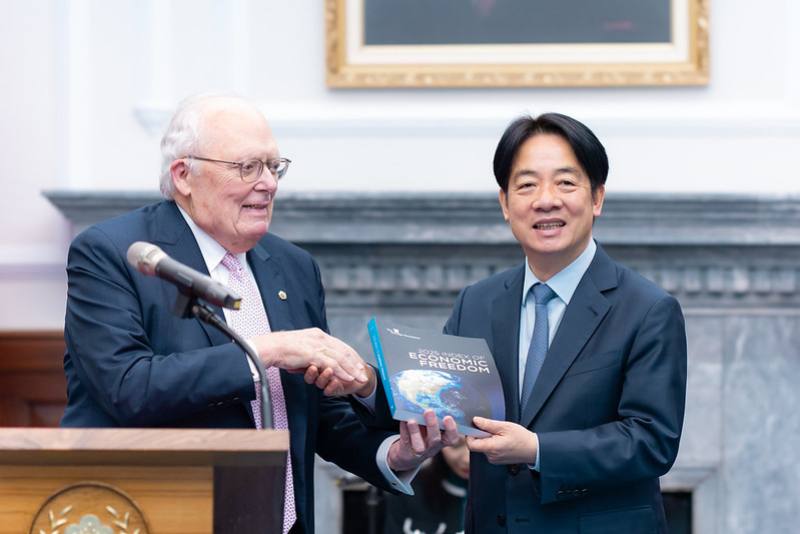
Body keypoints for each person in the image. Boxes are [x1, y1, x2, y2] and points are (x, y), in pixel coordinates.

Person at [60, 94, 458, 534]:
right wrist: (265, 351)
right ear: (183, 175)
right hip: (159, 516)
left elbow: (319, 416)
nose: (268, 183)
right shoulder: (116, 254)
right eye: (247, 167)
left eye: (274, 166)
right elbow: (128, 387)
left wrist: (391, 455)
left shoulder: (293, 267)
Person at [445, 113, 688, 533]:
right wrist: (367, 383)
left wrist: (536, 449)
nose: (545, 200)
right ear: (505, 203)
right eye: (526, 185)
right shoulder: (476, 303)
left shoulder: (648, 309)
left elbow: (652, 442)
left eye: (565, 182)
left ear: (597, 198)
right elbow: (436, 391)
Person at [383, 437, 469, 534]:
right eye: (456, 445)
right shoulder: (408, 489)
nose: (467, 459)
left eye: (477, 448)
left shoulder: (488, 498)